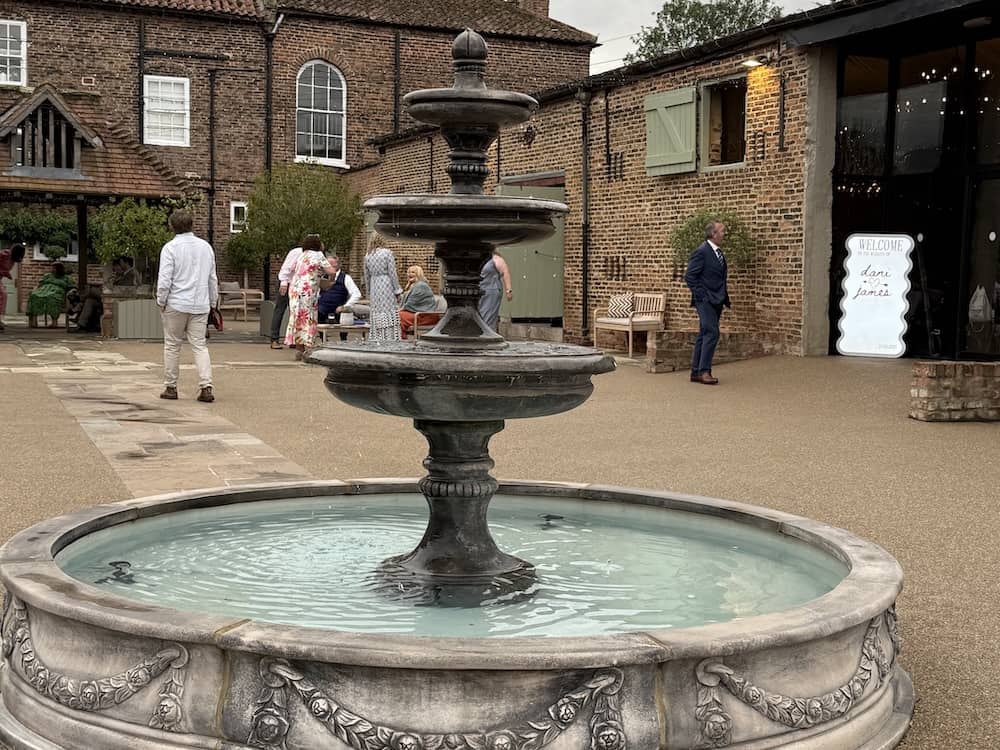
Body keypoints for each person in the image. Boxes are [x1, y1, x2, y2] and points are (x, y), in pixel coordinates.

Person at [156, 210, 220, 403]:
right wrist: (212, 302)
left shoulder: (170, 248)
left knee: (172, 345)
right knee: (200, 345)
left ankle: (171, 386)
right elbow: (212, 277)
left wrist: (161, 300)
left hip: (176, 302)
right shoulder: (206, 247)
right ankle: (206, 386)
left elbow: (165, 279)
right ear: (192, 224)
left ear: (172, 226)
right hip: (200, 303)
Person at [684, 220, 730, 385]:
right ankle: (704, 371)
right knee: (712, 333)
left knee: (704, 334)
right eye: (722, 231)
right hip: (705, 300)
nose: (724, 234)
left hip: (717, 299)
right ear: (713, 234)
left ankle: (696, 372)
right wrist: (702, 296)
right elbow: (690, 276)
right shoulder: (702, 251)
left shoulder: (719, 252)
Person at [284, 234, 335, 359]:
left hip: (295, 290)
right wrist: (330, 281)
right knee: (308, 317)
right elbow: (331, 271)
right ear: (317, 244)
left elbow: (291, 269)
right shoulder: (318, 255)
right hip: (308, 291)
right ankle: (308, 347)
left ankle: (299, 349)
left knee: (297, 317)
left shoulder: (301, 255)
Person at [363, 232, 402, 342]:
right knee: (388, 310)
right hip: (386, 283)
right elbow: (393, 273)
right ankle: (390, 337)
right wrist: (397, 291)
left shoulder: (367, 256)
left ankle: (377, 337)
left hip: (374, 285)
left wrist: (369, 292)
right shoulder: (387, 253)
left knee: (377, 311)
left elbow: (366, 276)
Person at [269, 243, 304, 349]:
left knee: (295, 312)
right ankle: (274, 339)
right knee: (280, 309)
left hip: (297, 285)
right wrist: (284, 283)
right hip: (287, 283)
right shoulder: (297, 252)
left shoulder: (310, 255)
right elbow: (286, 268)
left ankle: (293, 339)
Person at [27, 262, 75, 328]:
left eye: (54, 268)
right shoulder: (47, 275)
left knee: (52, 298)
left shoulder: (66, 277)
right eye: (52, 268)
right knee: (34, 296)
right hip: (43, 290)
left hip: (57, 292)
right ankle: (34, 322)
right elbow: (40, 284)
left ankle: (54, 322)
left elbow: (72, 287)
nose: (52, 270)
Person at [399, 265, 440, 339]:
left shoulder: (421, 286)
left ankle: (401, 339)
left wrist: (398, 310)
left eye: (413, 272)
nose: (409, 274)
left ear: (419, 274)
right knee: (395, 315)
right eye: (408, 272)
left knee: (397, 316)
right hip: (417, 314)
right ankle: (400, 337)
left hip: (425, 315)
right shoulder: (413, 286)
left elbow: (411, 303)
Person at [317, 256, 361, 324]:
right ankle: (321, 334)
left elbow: (356, 294)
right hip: (322, 310)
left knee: (345, 316)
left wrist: (345, 307)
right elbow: (317, 294)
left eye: (331, 264)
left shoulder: (346, 278)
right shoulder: (322, 278)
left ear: (338, 265)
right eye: (327, 264)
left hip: (338, 309)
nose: (329, 266)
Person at [478, 249, 512, 333]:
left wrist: (509, 290)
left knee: (488, 316)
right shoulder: (480, 258)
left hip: (492, 291)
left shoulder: (496, 259)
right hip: (479, 291)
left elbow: (505, 272)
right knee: (480, 316)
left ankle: (488, 336)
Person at [0, 243, 26, 332]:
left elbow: (4, 268)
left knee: (3, 296)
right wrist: (4, 272)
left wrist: (7, 274)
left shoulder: (13, 260)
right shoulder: (6, 254)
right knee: (2, 294)